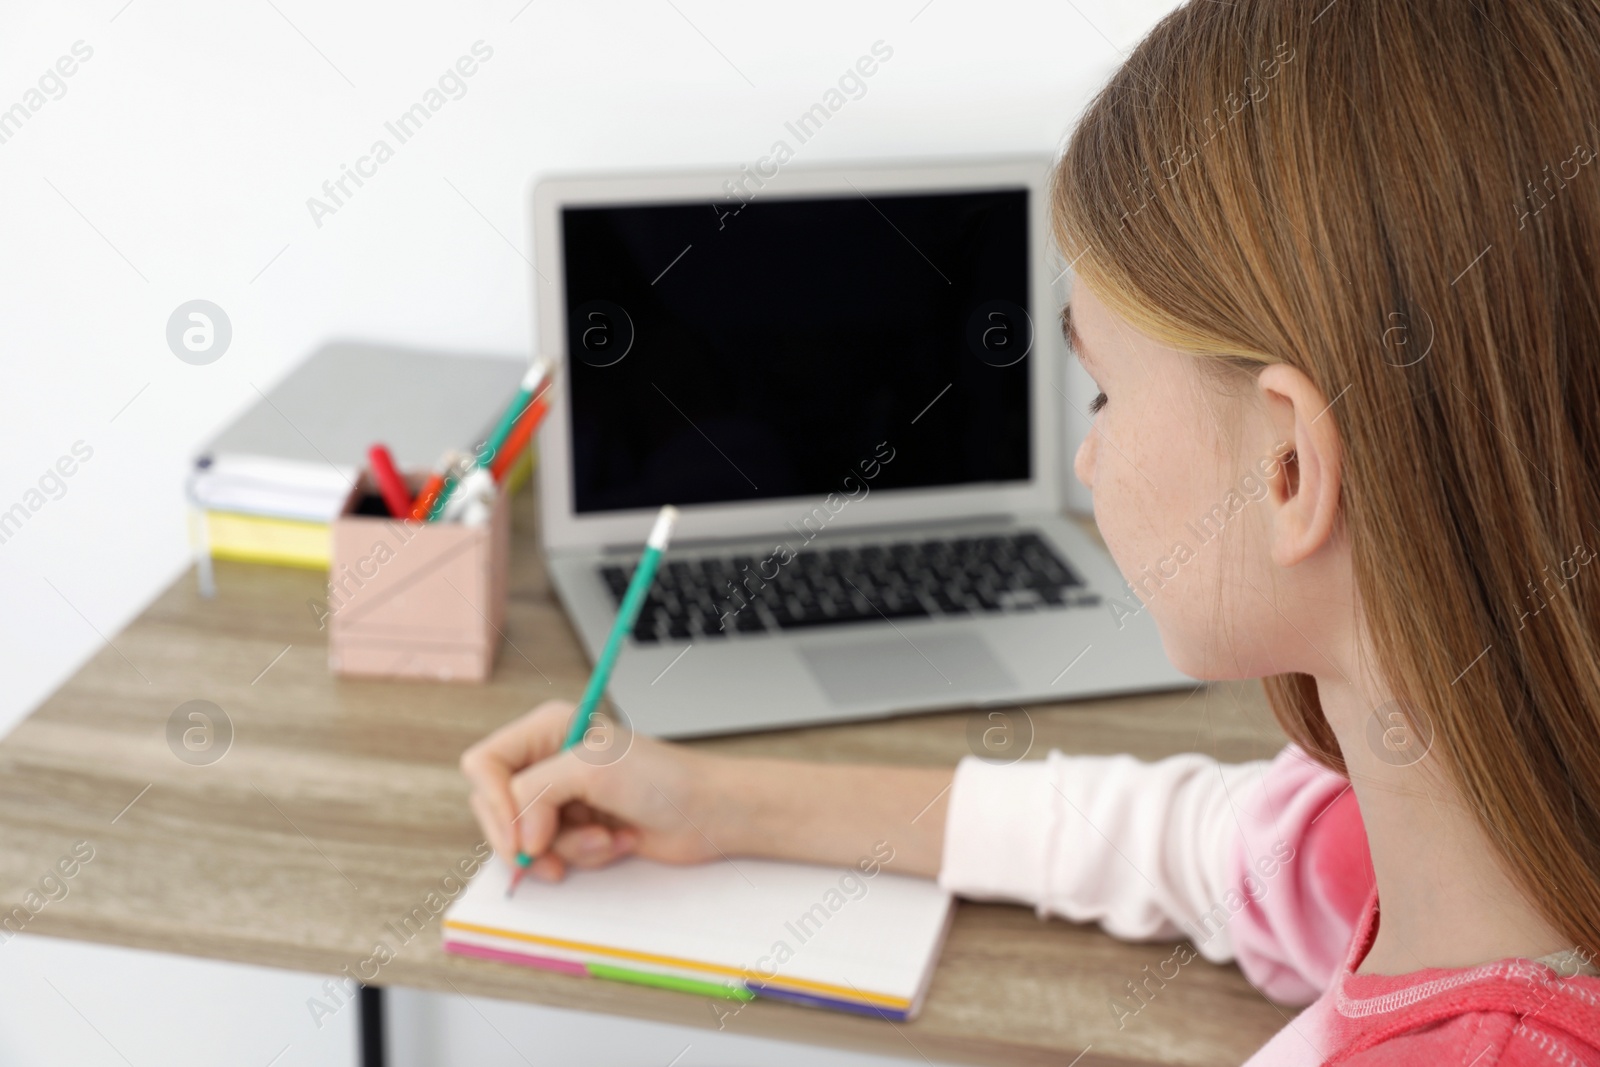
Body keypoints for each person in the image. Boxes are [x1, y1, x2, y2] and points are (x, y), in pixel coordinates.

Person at [462, 0, 1600, 1060]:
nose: (1084, 456)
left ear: (1288, 463)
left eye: (1102, 390)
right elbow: (1175, 837)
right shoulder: (1436, 839)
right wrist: (715, 801)